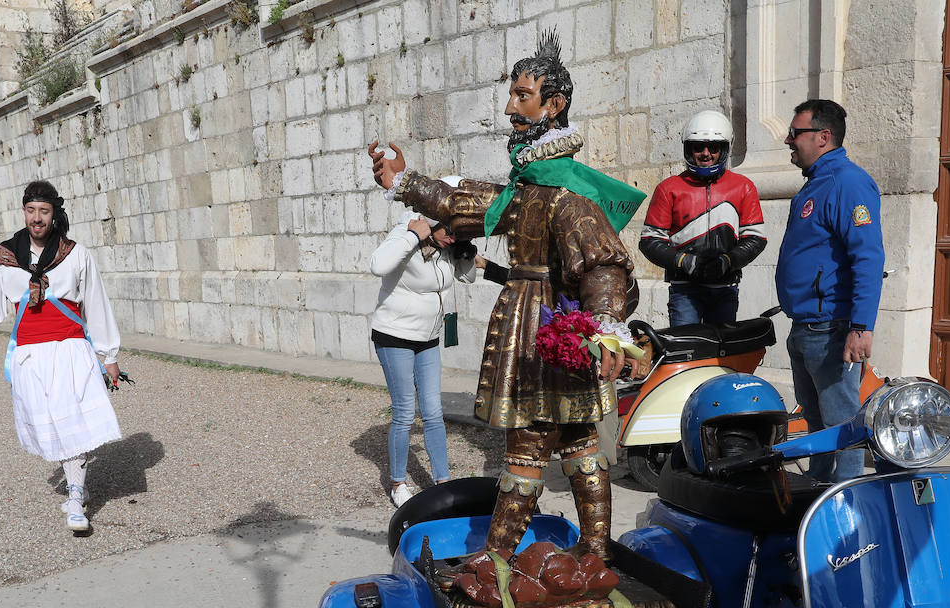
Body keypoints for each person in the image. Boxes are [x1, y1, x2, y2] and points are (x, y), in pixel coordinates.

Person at [369, 30, 647, 570]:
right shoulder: (532, 184)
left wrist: (608, 326)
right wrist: (404, 182)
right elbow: (469, 203)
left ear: (555, 105)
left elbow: (604, 262)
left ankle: (498, 559)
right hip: (540, 323)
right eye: (513, 95)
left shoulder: (566, 191)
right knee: (581, 443)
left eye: (522, 96)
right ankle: (593, 552)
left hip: (549, 331)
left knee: (531, 446)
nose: (509, 108)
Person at [0, 179, 124, 533]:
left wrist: (108, 354)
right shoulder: (5, 257)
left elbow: (95, 303)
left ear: (54, 215)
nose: (37, 218)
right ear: (24, 212)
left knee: (74, 424)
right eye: (31, 211)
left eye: (44, 212)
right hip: (30, 357)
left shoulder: (75, 253)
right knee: (52, 424)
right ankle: (74, 490)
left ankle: (77, 497)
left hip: (70, 350)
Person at [774, 98, 885, 484]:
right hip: (806, 326)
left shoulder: (847, 183)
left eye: (796, 132)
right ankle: (820, 489)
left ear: (823, 137)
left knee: (843, 426)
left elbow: (867, 258)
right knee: (818, 423)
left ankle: (849, 494)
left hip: (832, 329)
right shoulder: (816, 184)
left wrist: (860, 327)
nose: (789, 140)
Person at [370, 183, 478, 508]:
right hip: (395, 337)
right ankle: (398, 483)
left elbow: (467, 278)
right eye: (450, 233)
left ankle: (443, 482)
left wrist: (465, 255)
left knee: (433, 412)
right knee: (404, 412)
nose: (453, 239)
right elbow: (377, 265)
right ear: (431, 222)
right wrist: (413, 236)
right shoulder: (408, 232)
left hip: (428, 339)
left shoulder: (447, 245)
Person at [640, 109, 767, 329]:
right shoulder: (668, 188)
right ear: (689, 149)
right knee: (685, 350)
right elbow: (649, 240)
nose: (705, 153)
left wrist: (727, 261)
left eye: (713, 147)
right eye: (698, 147)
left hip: (725, 288)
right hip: (684, 290)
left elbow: (756, 238)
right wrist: (684, 261)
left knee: (721, 354)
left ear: (724, 148)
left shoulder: (743, 187)